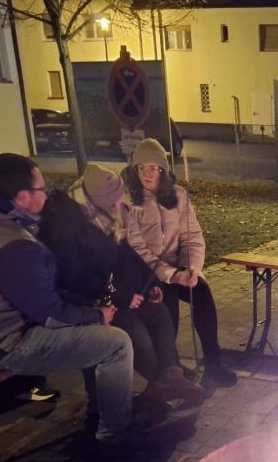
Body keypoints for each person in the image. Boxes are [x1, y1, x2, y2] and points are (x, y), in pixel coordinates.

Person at [0, 154, 134, 444]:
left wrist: (87, 309)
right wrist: (97, 315)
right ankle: (114, 432)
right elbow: (50, 314)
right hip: (0, 344)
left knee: (92, 330)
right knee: (115, 343)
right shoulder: (9, 243)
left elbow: (36, 292)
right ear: (22, 197)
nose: (47, 193)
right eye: (41, 188)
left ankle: (100, 410)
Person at [37, 163, 205, 410]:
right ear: (97, 201)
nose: (120, 207)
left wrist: (149, 284)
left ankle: (171, 375)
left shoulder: (105, 214)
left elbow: (125, 253)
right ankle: (158, 384)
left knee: (159, 313)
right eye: (114, 202)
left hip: (115, 291)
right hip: (88, 300)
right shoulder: (66, 225)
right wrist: (122, 296)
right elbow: (75, 277)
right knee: (134, 329)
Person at [122, 139, 238, 387]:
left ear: (163, 171)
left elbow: (192, 236)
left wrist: (192, 269)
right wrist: (171, 275)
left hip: (179, 268)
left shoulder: (178, 196)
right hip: (148, 273)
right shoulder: (129, 202)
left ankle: (213, 364)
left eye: (154, 168)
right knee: (168, 304)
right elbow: (138, 248)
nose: (147, 174)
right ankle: (169, 370)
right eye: (142, 168)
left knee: (202, 294)